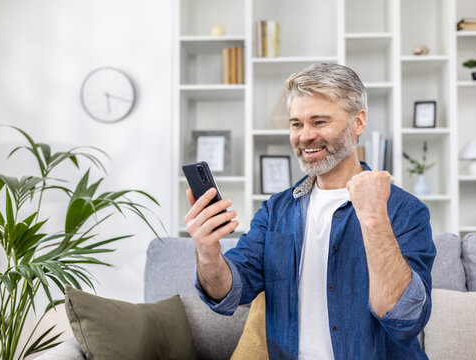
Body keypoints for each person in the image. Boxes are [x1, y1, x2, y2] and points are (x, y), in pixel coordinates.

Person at [184, 63, 436, 359]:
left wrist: (373, 218)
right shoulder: (275, 211)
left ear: (358, 122)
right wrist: (207, 252)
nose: (304, 136)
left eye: (319, 122)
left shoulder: (404, 210)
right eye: (296, 124)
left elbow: (406, 319)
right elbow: (228, 294)